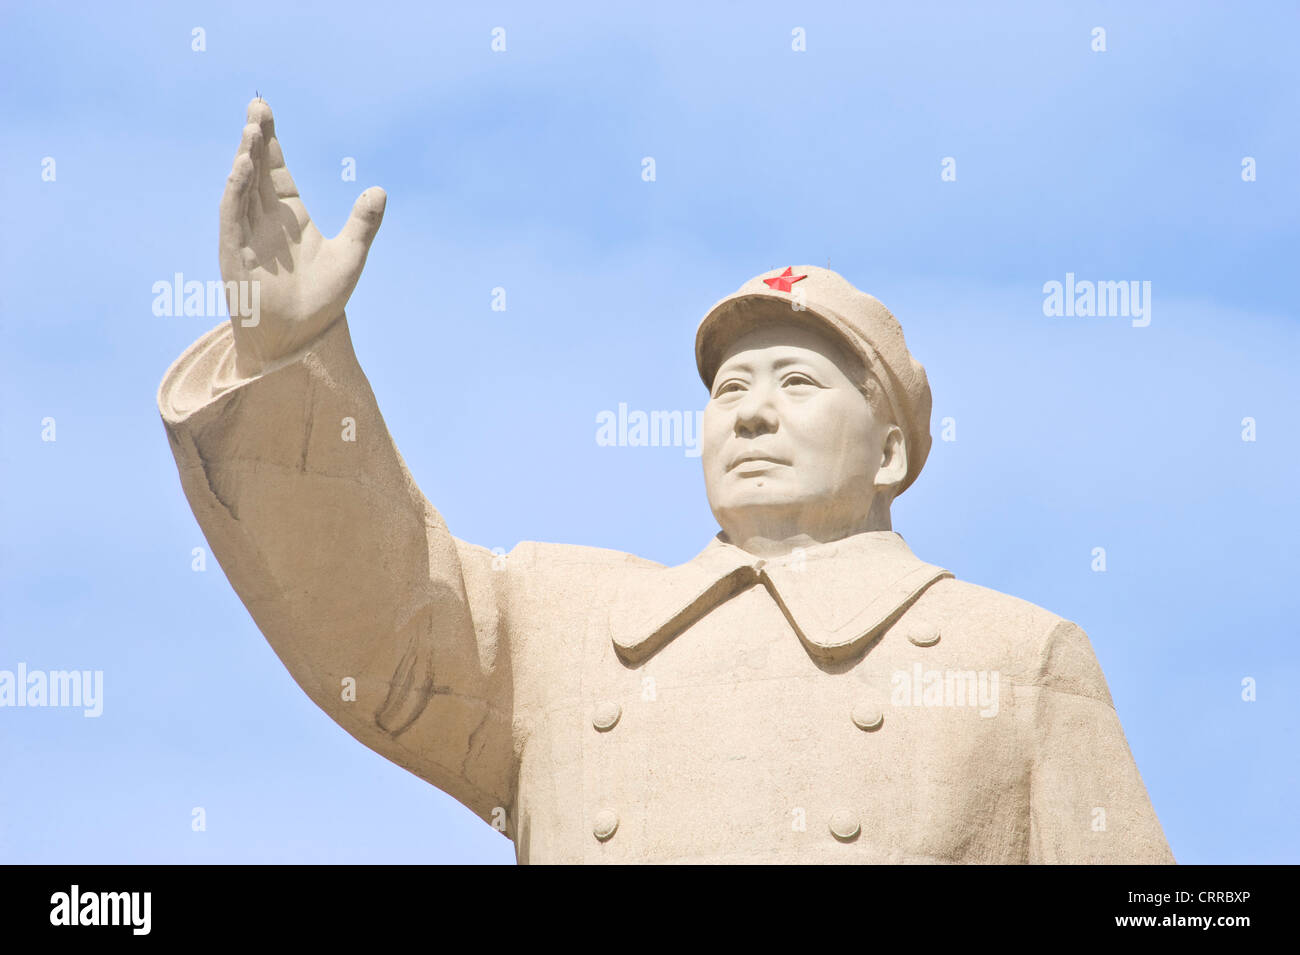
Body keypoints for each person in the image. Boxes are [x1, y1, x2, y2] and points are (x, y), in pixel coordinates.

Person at [157, 99, 1174, 864]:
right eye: (731, 385)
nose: (753, 409)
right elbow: (371, 617)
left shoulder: (1013, 653)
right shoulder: (565, 624)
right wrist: (291, 353)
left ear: (891, 454)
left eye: (799, 383)